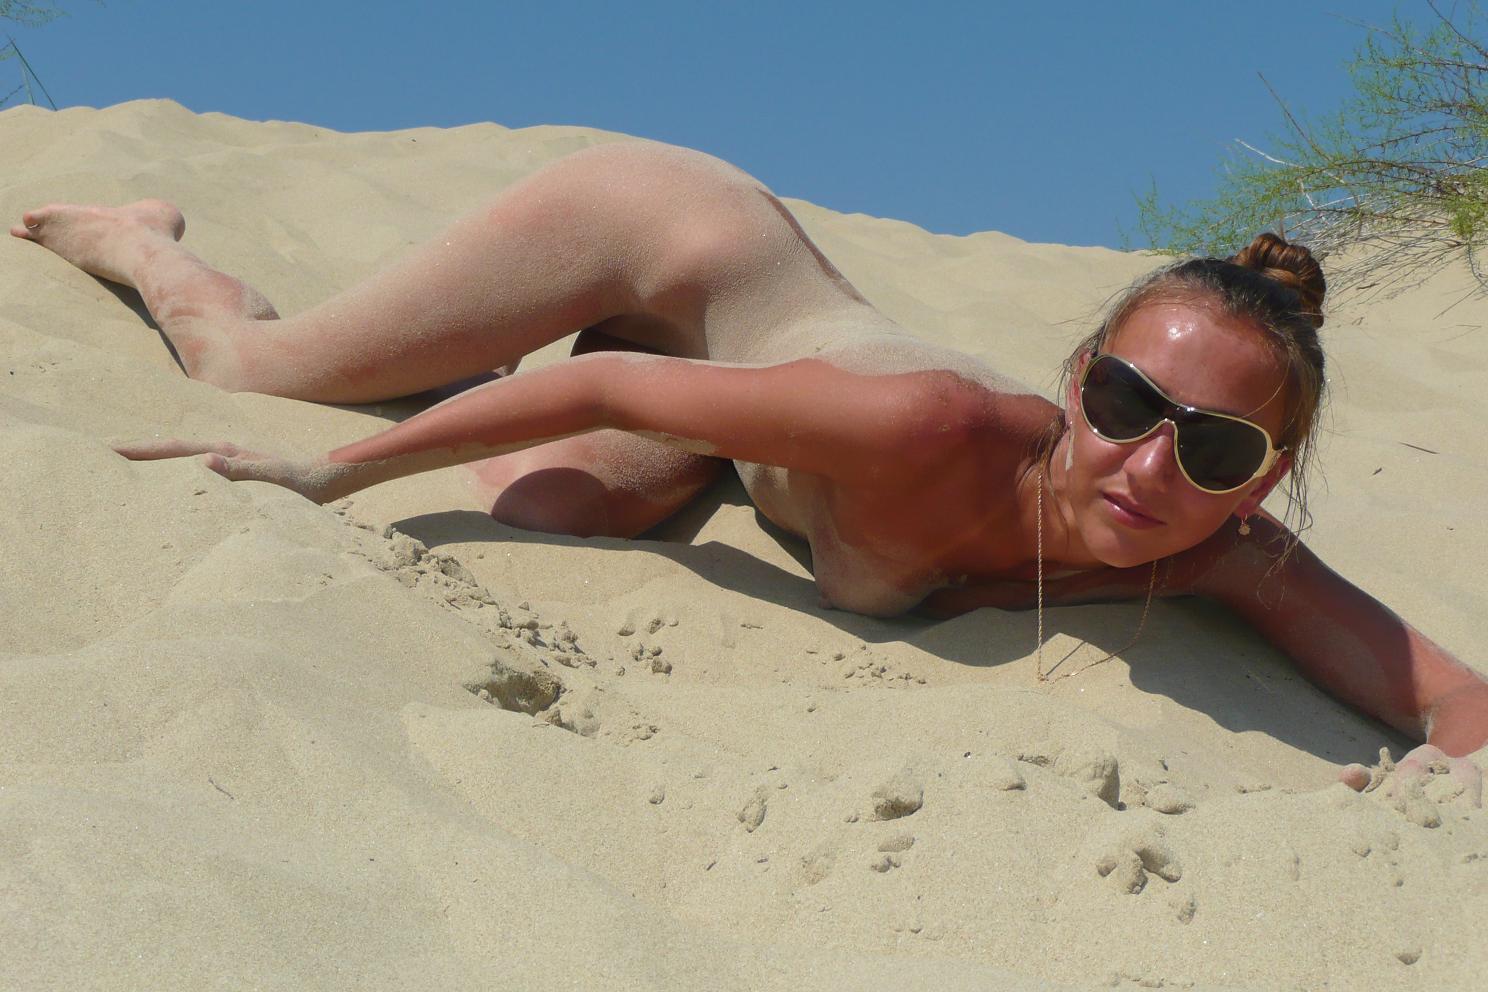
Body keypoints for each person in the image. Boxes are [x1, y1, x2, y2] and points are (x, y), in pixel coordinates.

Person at [11, 139, 1486, 795]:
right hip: (672, 246)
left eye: (1214, 447)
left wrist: (1439, 771)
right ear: (1074, 379)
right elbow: (603, 377)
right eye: (1122, 399)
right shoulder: (935, 428)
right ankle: (145, 244)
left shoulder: (1221, 552)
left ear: (1265, 479)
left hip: (727, 405)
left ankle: (597, 415)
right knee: (253, 374)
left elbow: (1457, 703)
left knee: (560, 507)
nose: (1150, 462)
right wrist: (334, 477)